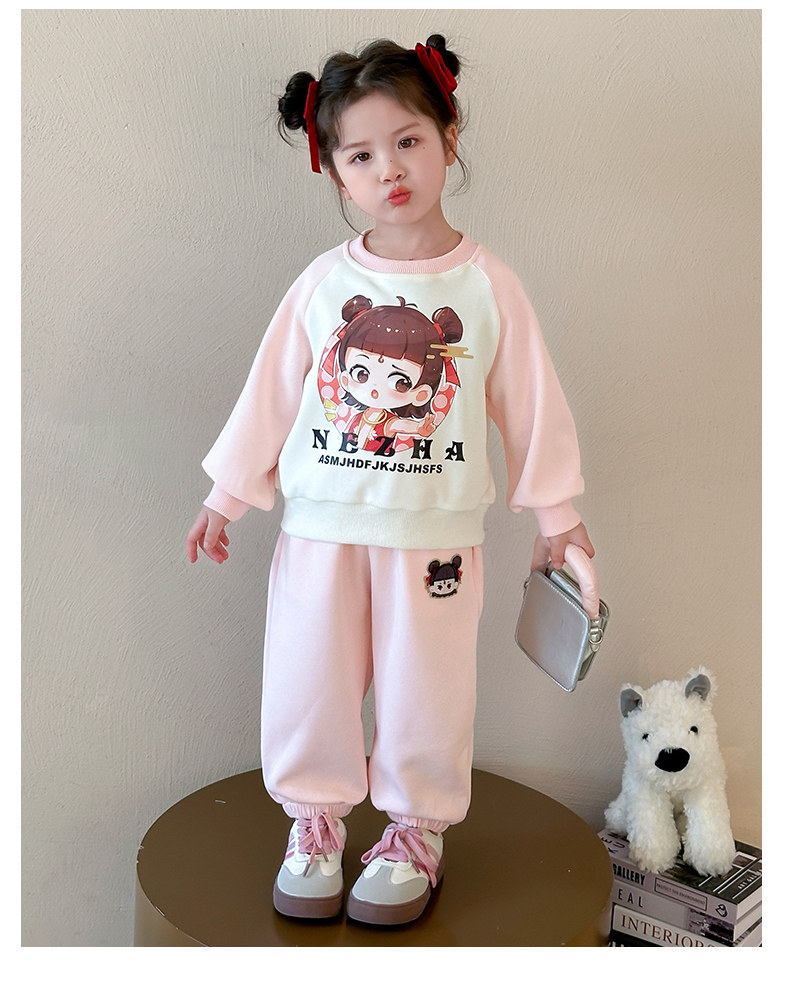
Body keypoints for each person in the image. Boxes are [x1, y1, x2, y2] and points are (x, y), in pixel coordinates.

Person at [186, 34, 595, 927]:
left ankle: (414, 833)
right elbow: (270, 393)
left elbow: (531, 404)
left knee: (426, 689)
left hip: (433, 539)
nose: (390, 170)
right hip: (320, 530)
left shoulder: (488, 287)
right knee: (308, 678)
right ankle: (314, 826)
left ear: (450, 135)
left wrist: (557, 514)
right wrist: (227, 495)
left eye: (407, 141)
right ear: (334, 171)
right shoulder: (323, 283)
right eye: (361, 155)